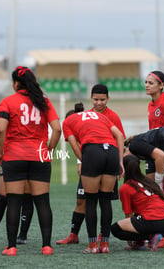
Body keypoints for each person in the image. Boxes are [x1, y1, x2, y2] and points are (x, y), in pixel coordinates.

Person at [0, 66, 61, 256]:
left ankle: (12, 247)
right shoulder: (44, 101)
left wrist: (0, 153)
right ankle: (47, 246)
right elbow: (57, 129)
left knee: (14, 202)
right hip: (39, 156)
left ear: (16, 83)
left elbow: (0, 130)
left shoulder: (8, 101)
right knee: (42, 202)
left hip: (14, 156)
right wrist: (49, 149)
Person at [57, 84, 126, 245]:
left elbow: (119, 138)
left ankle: (98, 239)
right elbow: (83, 140)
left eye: (102, 100)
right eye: (96, 99)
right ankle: (74, 234)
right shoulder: (88, 115)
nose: (99, 103)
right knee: (82, 200)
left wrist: (120, 161)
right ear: (91, 99)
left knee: (100, 200)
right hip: (93, 159)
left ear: (108, 99)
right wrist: (81, 161)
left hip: (102, 159)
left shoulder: (111, 116)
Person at [0, 108, 34, 246]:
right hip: (29, 155)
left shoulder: (9, 104)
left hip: (14, 156)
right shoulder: (35, 105)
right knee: (20, 198)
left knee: (7, 197)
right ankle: (18, 235)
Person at [111, 154, 164, 251]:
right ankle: (144, 241)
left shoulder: (126, 187)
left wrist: (130, 237)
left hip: (154, 220)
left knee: (115, 229)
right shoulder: (148, 181)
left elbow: (129, 214)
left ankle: (150, 237)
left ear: (122, 168)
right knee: (140, 216)